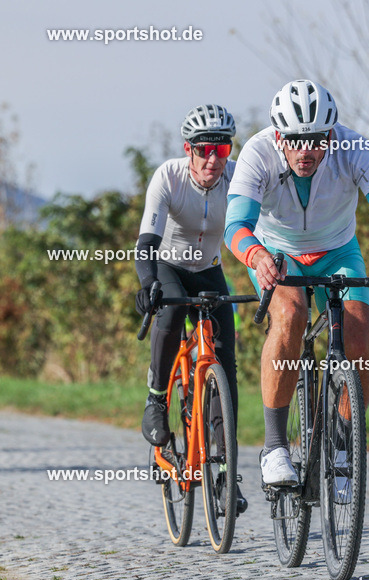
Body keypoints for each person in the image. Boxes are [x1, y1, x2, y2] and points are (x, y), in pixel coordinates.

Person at [224, 79, 369, 486]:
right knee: (290, 314)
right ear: (279, 136)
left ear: (331, 135)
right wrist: (257, 257)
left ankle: (340, 448)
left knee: (359, 331)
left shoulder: (353, 148)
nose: (306, 151)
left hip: (338, 250)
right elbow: (236, 226)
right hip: (276, 253)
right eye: (296, 141)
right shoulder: (257, 152)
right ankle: (274, 447)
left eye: (318, 140)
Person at [134, 104, 247, 514]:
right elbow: (147, 242)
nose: (213, 159)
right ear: (188, 149)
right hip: (169, 266)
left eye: (222, 149)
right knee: (170, 312)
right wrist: (148, 283)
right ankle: (156, 401)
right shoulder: (168, 176)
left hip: (209, 270)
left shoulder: (238, 179)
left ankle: (226, 473)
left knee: (225, 364)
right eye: (204, 150)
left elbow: (263, 230)